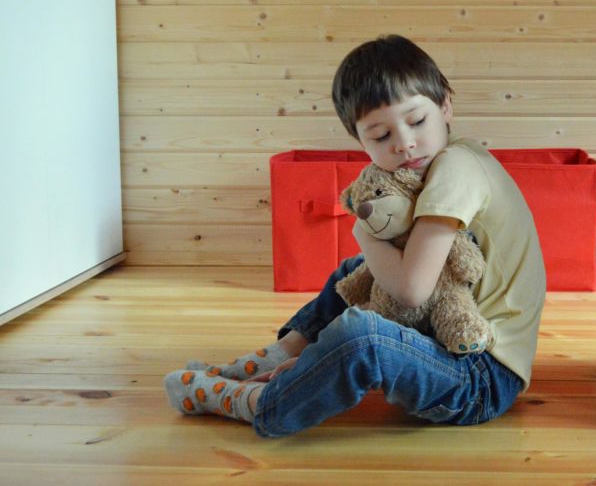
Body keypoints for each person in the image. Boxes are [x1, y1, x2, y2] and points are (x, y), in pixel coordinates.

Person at [164, 35, 546, 437]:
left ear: (446, 105)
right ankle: (279, 358)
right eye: (381, 137)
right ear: (359, 141)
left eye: (417, 121)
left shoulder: (456, 167)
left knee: (361, 334)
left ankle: (261, 401)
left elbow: (413, 291)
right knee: (358, 272)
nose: (404, 143)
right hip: (454, 348)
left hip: (480, 376)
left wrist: (364, 232)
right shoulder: (435, 167)